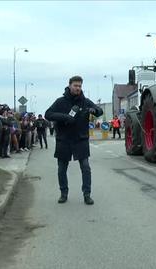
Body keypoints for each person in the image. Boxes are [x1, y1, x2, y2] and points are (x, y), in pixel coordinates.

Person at [45, 76, 103, 205]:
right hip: (64, 139)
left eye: (80, 86)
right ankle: (63, 193)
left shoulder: (85, 101)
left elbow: (100, 111)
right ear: (70, 85)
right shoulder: (60, 102)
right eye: (75, 85)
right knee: (61, 168)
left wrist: (95, 110)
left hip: (80, 139)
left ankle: (87, 194)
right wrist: (65, 117)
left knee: (86, 167)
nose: (78, 88)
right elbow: (48, 114)